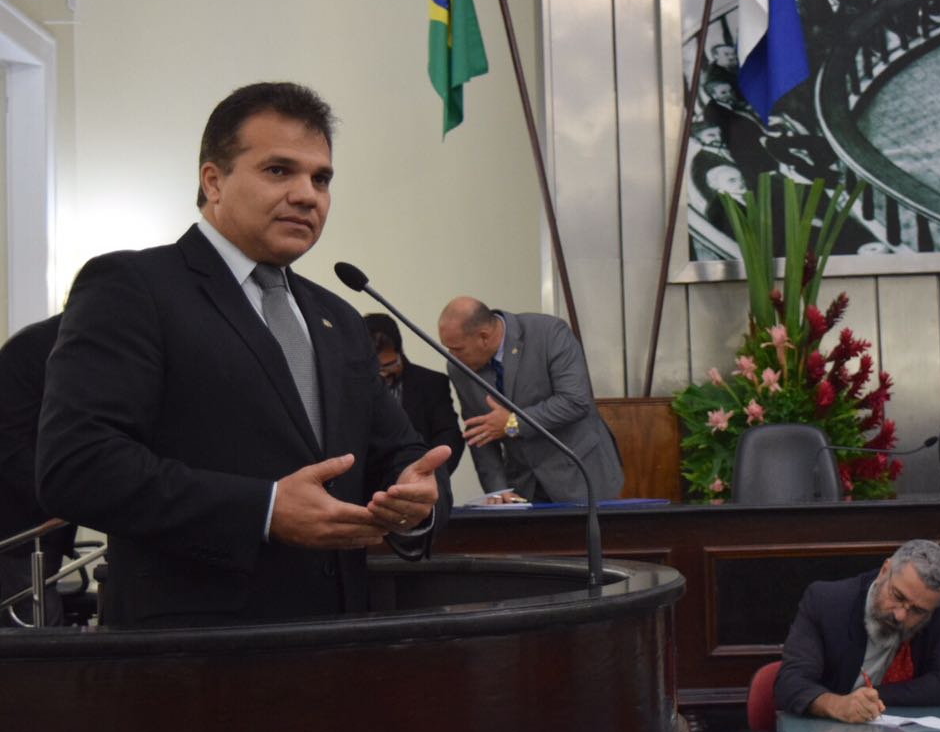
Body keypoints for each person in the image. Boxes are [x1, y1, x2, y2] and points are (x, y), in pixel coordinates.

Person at [36, 82, 452, 629]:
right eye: (279, 170)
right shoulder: (135, 287)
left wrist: (417, 498)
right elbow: (77, 465)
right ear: (214, 180)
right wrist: (264, 509)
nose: (307, 194)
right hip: (195, 656)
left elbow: (400, 452)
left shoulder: (341, 317)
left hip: (342, 645)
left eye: (321, 178)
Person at [437, 296, 624, 504]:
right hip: (524, 486)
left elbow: (575, 401)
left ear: (484, 336)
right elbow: (479, 433)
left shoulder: (549, 333)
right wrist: (498, 490)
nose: (452, 356)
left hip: (580, 475)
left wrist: (513, 423)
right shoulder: (459, 369)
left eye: (457, 348)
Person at [775, 539, 940, 722]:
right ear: (885, 571)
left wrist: (869, 699)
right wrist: (837, 704)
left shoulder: (937, 608)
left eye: (916, 611)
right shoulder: (827, 603)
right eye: (897, 596)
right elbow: (791, 683)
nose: (900, 615)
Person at [0, 314, 75, 626]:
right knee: (36, 637)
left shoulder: (67, 347)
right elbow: (7, 445)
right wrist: (59, 498)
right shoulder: (32, 350)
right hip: (18, 530)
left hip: (44, 529)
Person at [364, 313, 464, 475]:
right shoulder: (349, 388)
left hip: (421, 479)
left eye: (389, 365)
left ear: (400, 352)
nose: (383, 375)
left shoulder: (432, 383)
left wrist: (432, 474)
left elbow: (449, 435)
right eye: (376, 370)